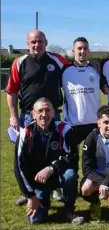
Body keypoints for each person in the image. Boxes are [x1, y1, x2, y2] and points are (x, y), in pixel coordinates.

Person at [6, 30, 70, 205]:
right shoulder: (19, 63)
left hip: (53, 116)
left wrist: (93, 63)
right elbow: (11, 91)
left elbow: (75, 68)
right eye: (33, 42)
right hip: (28, 117)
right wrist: (13, 117)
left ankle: (55, 188)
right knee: (27, 155)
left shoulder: (57, 60)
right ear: (27, 44)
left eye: (40, 41)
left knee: (55, 151)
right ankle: (28, 190)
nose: (37, 45)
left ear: (46, 42)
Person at [14, 98, 84, 225]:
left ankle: (68, 210)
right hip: (38, 181)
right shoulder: (26, 133)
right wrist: (30, 195)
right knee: (35, 220)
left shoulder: (64, 129)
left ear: (53, 112)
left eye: (48, 110)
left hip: (58, 175)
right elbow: (19, 167)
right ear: (33, 114)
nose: (44, 114)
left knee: (71, 175)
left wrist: (52, 168)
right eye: (40, 111)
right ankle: (43, 200)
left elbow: (73, 156)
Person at [61, 37, 101, 144]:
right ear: (73, 51)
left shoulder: (97, 69)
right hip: (72, 124)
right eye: (79, 48)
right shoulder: (64, 70)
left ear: (89, 51)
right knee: (71, 158)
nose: (82, 51)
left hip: (94, 122)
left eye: (85, 48)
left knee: (92, 159)